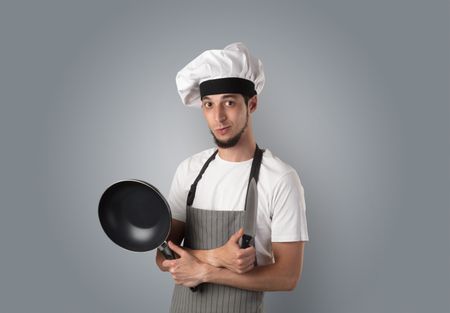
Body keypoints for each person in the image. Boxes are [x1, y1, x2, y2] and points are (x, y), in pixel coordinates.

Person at [156, 42, 309, 313]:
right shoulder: (189, 171)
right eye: (209, 105)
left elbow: (288, 276)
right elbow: (162, 255)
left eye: (229, 102)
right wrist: (217, 256)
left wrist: (206, 272)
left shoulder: (281, 178)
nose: (219, 117)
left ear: (252, 104)